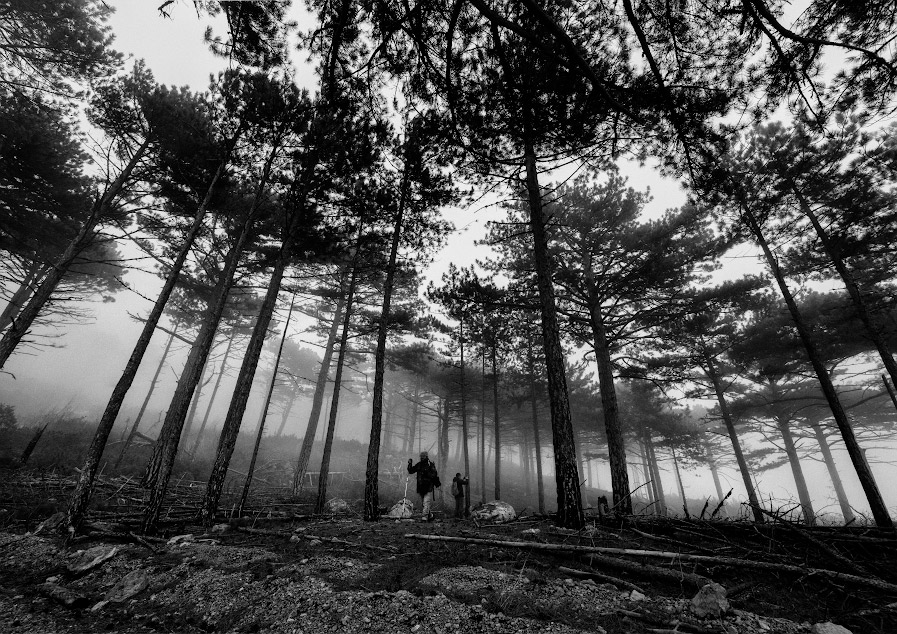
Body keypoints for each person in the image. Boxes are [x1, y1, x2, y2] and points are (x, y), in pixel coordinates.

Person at [407, 451, 440, 521]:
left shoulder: (430, 465)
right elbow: (411, 471)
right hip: (421, 486)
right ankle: (430, 515)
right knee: (424, 503)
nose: (422, 458)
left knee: (426, 502)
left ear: (426, 456)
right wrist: (410, 464)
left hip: (428, 486)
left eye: (423, 456)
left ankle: (424, 516)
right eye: (421, 456)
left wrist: (427, 473)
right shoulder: (419, 465)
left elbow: (434, 475)